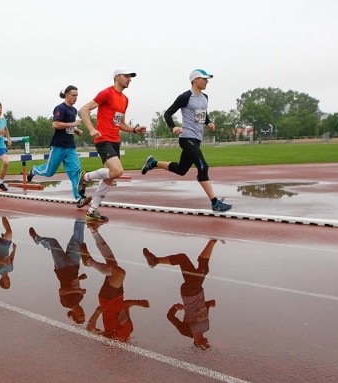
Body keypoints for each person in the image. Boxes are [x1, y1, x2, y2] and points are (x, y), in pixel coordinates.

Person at [141, 69, 232, 212]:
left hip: (197, 138)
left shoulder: (205, 97)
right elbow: (168, 113)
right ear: (195, 80)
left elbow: (202, 113)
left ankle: (153, 162)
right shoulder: (185, 97)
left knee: (182, 170)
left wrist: (208, 122)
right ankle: (215, 202)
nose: (206, 81)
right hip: (186, 137)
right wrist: (173, 127)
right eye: (204, 79)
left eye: (207, 79)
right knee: (203, 166)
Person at [77, 68, 147, 222]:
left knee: (110, 176)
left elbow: (120, 123)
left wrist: (134, 130)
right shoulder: (107, 93)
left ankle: (92, 210)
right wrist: (91, 129)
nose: (129, 79)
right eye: (126, 76)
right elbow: (83, 110)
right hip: (103, 139)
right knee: (118, 171)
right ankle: (86, 176)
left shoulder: (125, 99)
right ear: (116, 77)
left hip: (115, 140)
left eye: (131, 76)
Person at [142, 238, 222, 350]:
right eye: (207, 344)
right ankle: (155, 261)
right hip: (198, 290)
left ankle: (213, 240)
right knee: (185, 260)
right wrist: (210, 304)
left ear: (196, 343)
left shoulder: (186, 332)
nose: (206, 343)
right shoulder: (206, 327)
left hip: (189, 293)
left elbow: (170, 317)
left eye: (203, 345)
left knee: (202, 270)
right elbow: (203, 308)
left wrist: (175, 307)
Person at [83, 221, 149, 341]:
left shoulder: (112, 337)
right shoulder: (129, 330)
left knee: (119, 272)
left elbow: (90, 329)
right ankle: (93, 230)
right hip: (118, 296)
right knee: (112, 263)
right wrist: (138, 302)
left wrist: (97, 313)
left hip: (107, 300)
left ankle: (88, 261)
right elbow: (124, 306)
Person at [27, 86, 91, 208]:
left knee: (75, 172)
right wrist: (73, 124)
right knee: (49, 172)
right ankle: (34, 170)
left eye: (77, 95)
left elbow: (68, 126)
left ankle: (79, 198)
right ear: (67, 95)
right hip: (58, 146)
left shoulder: (74, 110)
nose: (75, 98)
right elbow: (55, 124)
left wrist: (76, 130)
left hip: (70, 146)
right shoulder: (60, 108)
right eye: (73, 95)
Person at [29, 220, 88, 323]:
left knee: (53, 242)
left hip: (62, 268)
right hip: (74, 265)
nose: (82, 312)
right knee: (78, 242)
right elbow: (72, 283)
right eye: (84, 314)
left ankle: (37, 239)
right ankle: (81, 221)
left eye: (80, 314)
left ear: (74, 314)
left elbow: (62, 291)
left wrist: (78, 290)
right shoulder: (80, 298)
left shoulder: (66, 304)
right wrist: (80, 278)